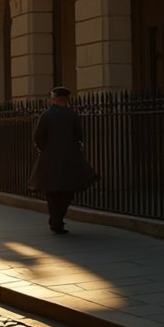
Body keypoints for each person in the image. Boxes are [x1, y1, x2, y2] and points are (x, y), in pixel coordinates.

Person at [27, 86, 99, 234]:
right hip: (70, 158)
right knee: (68, 189)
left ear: (54, 98)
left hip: (49, 159)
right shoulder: (72, 115)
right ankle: (58, 218)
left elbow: (37, 136)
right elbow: (79, 135)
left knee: (52, 192)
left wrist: (44, 149)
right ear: (66, 99)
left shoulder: (46, 115)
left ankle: (55, 220)